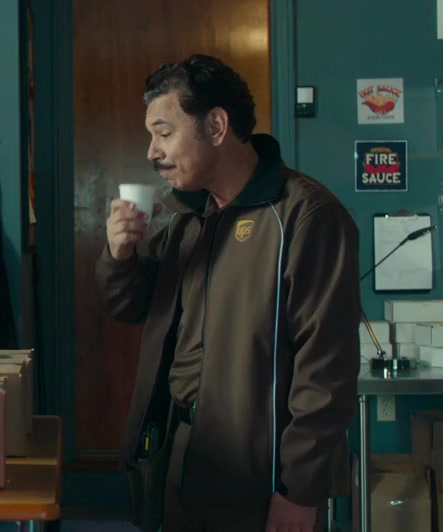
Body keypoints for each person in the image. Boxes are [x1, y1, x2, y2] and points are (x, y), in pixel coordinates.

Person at [97, 55, 360, 532]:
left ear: (217, 126)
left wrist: (299, 490)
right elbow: (128, 306)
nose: (152, 152)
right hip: (180, 455)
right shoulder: (186, 218)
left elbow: (327, 369)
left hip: (260, 480)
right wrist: (120, 254)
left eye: (164, 133)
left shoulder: (306, 216)